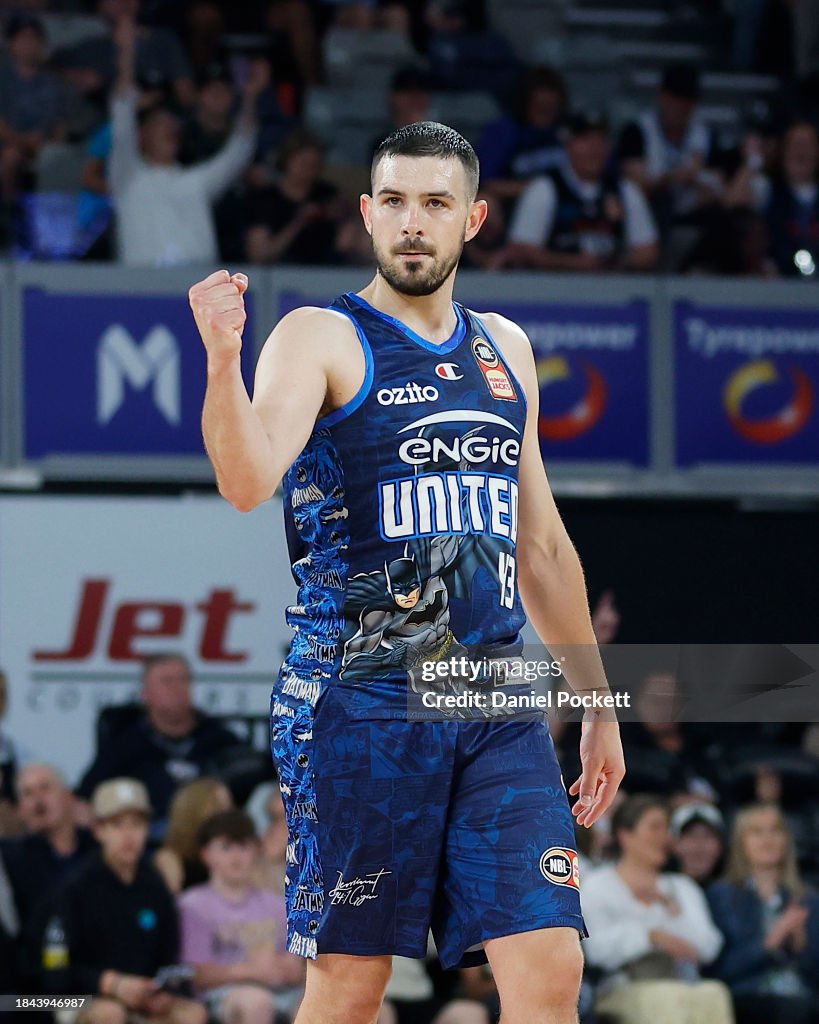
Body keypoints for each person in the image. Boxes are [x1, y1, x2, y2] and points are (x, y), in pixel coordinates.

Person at [188, 119, 626, 1024]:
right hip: (360, 700)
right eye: (394, 202)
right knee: (352, 986)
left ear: (473, 219)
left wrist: (594, 702)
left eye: (434, 203)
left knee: (549, 967)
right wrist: (224, 360)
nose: (412, 223)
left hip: (490, 699)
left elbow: (539, 546)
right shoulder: (319, 335)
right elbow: (244, 482)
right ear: (366, 214)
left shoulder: (503, 348)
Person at [41, 777, 207, 1024]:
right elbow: (54, 971)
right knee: (111, 1014)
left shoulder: (155, 886)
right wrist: (109, 983)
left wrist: (163, 991)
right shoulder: (73, 888)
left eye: (137, 824)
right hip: (78, 996)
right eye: (117, 824)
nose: (129, 835)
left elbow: (169, 959)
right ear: (98, 830)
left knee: (191, 1014)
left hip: (142, 995)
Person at [108, 9, 262, 266]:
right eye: (159, 123)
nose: (169, 128)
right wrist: (126, 54)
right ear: (142, 136)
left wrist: (251, 97)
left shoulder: (196, 181)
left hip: (198, 292)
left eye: (172, 123)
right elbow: (122, 115)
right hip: (139, 292)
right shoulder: (128, 176)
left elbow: (239, 149)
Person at [582, 794, 733, 1024]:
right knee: (666, 999)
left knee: (715, 993)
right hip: (621, 987)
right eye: (655, 827)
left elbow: (707, 946)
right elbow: (596, 949)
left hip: (681, 982)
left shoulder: (681, 887)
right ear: (625, 835)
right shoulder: (598, 885)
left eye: (667, 829)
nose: (664, 837)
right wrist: (650, 936)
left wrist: (672, 909)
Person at [77, 655, 241, 841]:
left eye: (183, 680)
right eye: (167, 681)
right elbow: (88, 795)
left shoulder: (218, 738)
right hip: (142, 843)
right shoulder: (125, 742)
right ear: (145, 693)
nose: (177, 688)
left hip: (207, 843)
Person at [178, 809, 305, 1023]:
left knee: (332, 1001)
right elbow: (194, 974)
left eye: (243, 846)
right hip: (224, 993)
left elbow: (296, 964)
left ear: (255, 850)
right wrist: (251, 971)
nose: (236, 856)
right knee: (257, 1002)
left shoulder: (276, 904)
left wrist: (293, 969)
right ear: (206, 855)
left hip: (281, 990)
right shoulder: (193, 905)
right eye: (226, 848)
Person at [495, 112, 659, 272]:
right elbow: (520, 250)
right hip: (552, 291)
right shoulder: (545, 188)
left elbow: (648, 252)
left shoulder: (625, 190)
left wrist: (611, 264)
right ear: (569, 144)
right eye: (585, 139)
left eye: (600, 140)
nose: (594, 149)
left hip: (612, 289)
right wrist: (574, 263)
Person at [707, 803, 819, 1024]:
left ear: (786, 839)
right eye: (757, 832)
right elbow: (721, 970)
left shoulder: (808, 898)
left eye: (775, 830)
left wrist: (800, 945)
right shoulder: (723, 895)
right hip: (747, 996)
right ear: (741, 842)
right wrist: (771, 941)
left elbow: (814, 974)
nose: (767, 840)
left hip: (802, 997)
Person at [2, 763, 97, 995]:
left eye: (45, 789)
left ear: (68, 796)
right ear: (20, 809)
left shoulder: (99, 852)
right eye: (27, 794)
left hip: (98, 982)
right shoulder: (9, 860)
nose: (37, 801)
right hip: (32, 1000)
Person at [154, 777, 233, 894]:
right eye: (218, 806)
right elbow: (170, 904)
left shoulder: (237, 850)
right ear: (194, 812)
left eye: (230, 805)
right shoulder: (170, 858)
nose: (229, 813)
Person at [670, 802, 726, 889]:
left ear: (720, 847)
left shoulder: (735, 896)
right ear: (675, 845)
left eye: (707, 836)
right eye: (691, 836)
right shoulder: (661, 889)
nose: (699, 846)